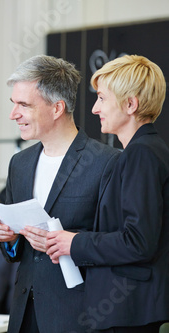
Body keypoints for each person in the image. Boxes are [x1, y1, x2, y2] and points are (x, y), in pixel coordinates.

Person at [0, 55, 119, 333]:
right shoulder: (20, 164)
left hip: (79, 316)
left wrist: (69, 242)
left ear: (57, 108)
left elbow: (120, 244)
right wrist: (10, 238)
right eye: (13, 104)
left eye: (23, 105)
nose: (13, 114)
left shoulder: (107, 163)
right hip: (24, 315)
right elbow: (15, 254)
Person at [47, 55, 169, 332]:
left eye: (102, 98)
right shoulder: (145, 151)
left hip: (129, 313)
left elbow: (138, 241)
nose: (94, 109)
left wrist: (74, 243)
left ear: (130, 104)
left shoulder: (141, 155)